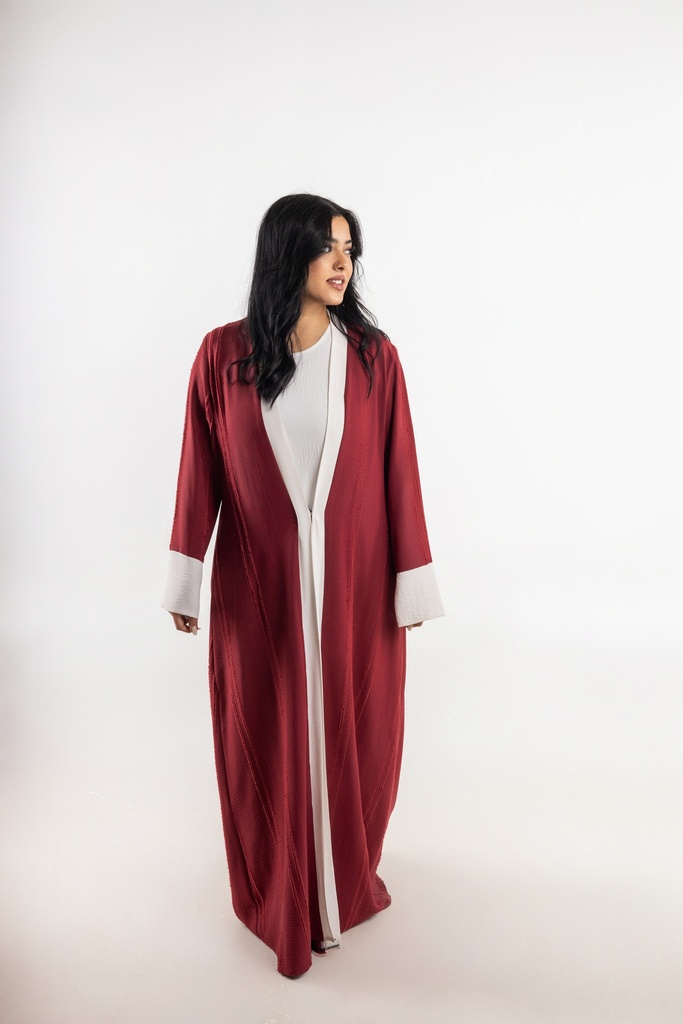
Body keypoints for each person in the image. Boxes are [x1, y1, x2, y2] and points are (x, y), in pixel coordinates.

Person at [162, 194, 444, 978]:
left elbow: (400, 476)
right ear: (286, 253)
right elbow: (200, 470)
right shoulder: (222, 355)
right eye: (326, 247)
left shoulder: (371, 357)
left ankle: (343, 885)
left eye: (349, 248)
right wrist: (187, 573)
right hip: (260, 600)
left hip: (353, 598)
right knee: (264, 735)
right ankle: (278, 895)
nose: (342, 262)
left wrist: (409, 583)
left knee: (360, 736)